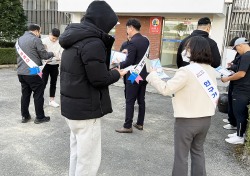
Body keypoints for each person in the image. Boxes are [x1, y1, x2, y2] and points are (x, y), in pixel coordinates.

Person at [59, 1, 127, 175]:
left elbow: (83, 71)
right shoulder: (93, 43)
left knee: (76, 154)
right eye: (109, 27)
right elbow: (99, 79)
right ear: (102, 22)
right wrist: (116, 73)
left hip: (72, 109)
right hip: (86, 110)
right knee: (88, 161)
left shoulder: (73, 38)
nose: (109, 31)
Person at [147, 36, 218, 176]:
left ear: (195, 50)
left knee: (181, 157)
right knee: (198, 152)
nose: (185, 51)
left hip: (187, 120)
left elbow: (166, 89)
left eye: (188, 48)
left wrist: (153, 76)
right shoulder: (211, 70)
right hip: (205, 119)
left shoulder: (186, 71)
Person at [115, 18, 150, 133]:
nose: (127, 31)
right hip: (143, 74)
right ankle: (140, 123)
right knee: (141, 100)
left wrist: (118, 65)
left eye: (127, 28)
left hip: (133, 75)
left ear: (131, 28)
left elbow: (129, 61)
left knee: (129, 100)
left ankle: (127, 126)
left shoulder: (132, 42)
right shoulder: (146, 41)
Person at [16, 24, 54, 124]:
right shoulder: (35, 39)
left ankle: (25, 116)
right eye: (40, 32)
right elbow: (44, 55)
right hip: (33, 71)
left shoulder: (19, 40)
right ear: (36, 31)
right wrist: (52, 53)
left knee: (25, 94)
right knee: (38, 93)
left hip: (21, 72)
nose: (39, 34)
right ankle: (40, 117)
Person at [221, 37, 250, 144]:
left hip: (243, 90)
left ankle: (240, 137)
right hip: (244, 88)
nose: (237, 51)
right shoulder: (246, 56)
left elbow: (241, 73)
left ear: (240, 45)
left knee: (240, 112)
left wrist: (227, 78)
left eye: (236, 48)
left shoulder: (246, 56)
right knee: (239, 112)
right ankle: (239, 133)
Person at [222, 37, 240, 130]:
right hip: (233, 79)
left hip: (238, 82)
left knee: (235, 103)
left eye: (234, 47)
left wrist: (233, 66)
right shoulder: (239, 53)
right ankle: (231, 120)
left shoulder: (245, 55)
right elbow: (236, 63)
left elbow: (240, 69)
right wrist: (231, 64)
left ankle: (233, 123)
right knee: (230, 99)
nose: (234, 49)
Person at [42, 28, 62, 108]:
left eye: (56, 38)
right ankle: (40, 100)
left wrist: (59, 58)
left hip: (55, 65)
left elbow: (61, 53)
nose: (54, 40)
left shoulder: (59, 42)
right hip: (45, 65)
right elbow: (42, 54)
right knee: (43, 83)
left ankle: (52, 100)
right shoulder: (43, 41)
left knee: (53, 83)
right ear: (49, 34)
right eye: (53, 38)